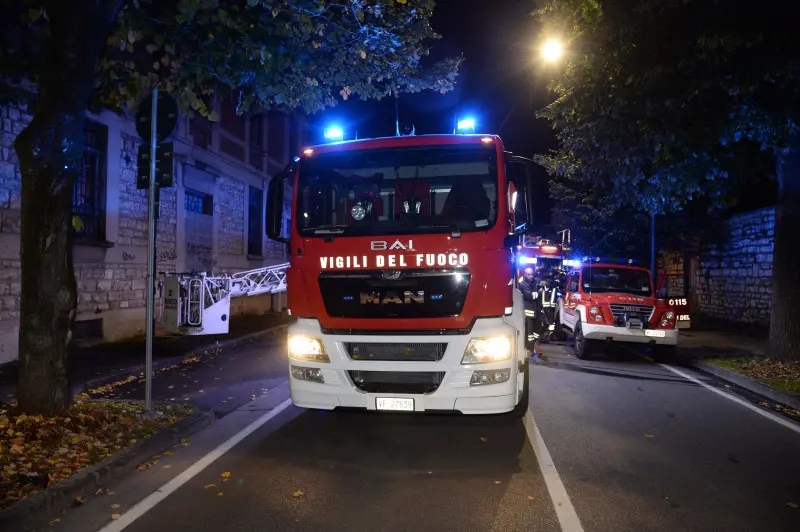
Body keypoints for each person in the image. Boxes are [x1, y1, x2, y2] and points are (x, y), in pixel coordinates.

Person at [519, 267, 543, 356]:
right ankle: (528, 349)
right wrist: (539, 292)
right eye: (529, 274)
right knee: (529, 334)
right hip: (528, 312)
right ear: (525, 275)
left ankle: (533, 347)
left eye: (532, 274)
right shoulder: (522, 284)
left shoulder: (534, 282)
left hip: (535, 311)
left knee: (536, 331)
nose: (531, 276)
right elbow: (530, 296)